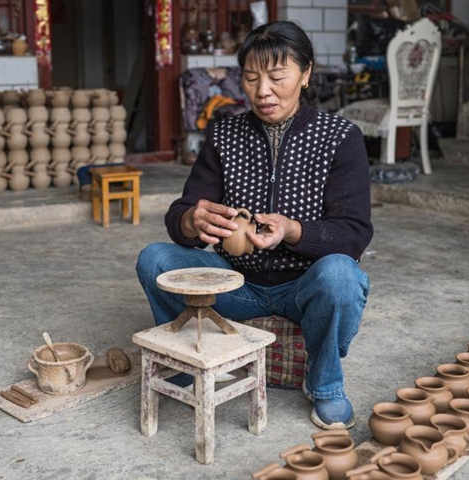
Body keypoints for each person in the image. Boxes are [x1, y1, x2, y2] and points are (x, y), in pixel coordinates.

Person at [136, 21, 372, 430]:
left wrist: (293, 231)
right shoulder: (225, 134)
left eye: (277, 77)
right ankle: (187, 357)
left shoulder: (340, 137)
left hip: (303, 288)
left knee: (341, 275)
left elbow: (353, 233)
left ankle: (325, 382)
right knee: (154, 258)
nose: (263, 90)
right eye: (251, 77)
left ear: (306, 74)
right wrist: (192, 220)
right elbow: (181, 214)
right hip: (236, 285)